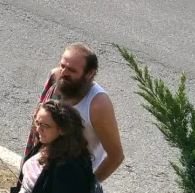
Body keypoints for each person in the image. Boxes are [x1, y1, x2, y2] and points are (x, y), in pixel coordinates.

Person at [22, 44, 124, 182]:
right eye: (62, 65)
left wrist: (87, 189)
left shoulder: (98, 105)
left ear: (90, 73)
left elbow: (116, 156)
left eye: (72, 70)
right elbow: (36, 129)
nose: (63, 72)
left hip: (69, 184)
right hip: (38, 173)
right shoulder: (55, 78)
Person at [5, 101, 95, 193]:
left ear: (62, 130)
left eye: (45, 126)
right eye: (37, 122)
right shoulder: (46, 143)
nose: (38, 129)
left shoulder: (68, 169)